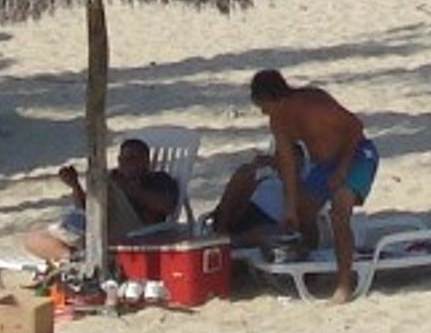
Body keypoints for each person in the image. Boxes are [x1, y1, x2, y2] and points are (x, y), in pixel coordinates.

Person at [214, 67, 376, 301]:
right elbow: (288, 166)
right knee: (302, 214)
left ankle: (344, 283)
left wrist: (342, 169)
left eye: (263, 105)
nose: (263, 111)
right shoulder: (278, 122)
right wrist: (290, 209)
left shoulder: (312, 104)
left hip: (357, 155)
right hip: (324, 164)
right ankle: (309, 271)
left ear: (274, 98)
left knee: (339, 214)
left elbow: (355, 128)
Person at [29, 138, 183, 267]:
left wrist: (127, 187)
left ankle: (80, 254)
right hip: (97, 229)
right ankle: (75, 258)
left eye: (132, 158)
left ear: (145, 161)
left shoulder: (158, 179)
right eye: (122, 158)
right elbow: (86, 208)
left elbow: (166, 206)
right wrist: (75, 185)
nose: (126, 162)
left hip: (132, 233)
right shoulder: (114, 178)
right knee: (34, 238)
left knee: (105, 184)